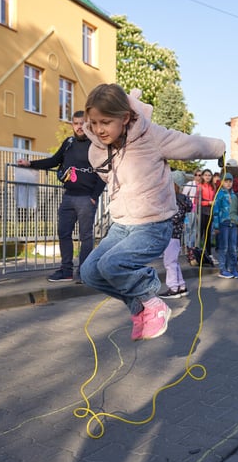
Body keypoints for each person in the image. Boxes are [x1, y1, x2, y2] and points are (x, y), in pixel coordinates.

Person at [79, 84, 225, 341]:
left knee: (112, 264)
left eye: (106, 122)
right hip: (122, 223)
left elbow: (189, 144)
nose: (99, 129)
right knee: (89, 271)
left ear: (124, 118)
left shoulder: (151, 136)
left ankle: (153, 301)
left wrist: (219, 148)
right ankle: (139, 308)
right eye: (93, 122)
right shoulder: (96, 150)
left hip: (153, 224)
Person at [18, 110, 105, 283]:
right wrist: (30, 163)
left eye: (82, 123)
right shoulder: (69, 143)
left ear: (88, 124)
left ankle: (84, 273)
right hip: (68, 197)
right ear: (72, 125)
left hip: (86, 198)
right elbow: (53, 161)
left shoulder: (96, 145)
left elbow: (103, 173)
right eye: (75, 123)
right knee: (63, 233)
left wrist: (94, 196)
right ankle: (66, 271)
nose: (79, 127)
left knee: (85, 237)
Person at [159, 171, 193, 299]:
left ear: (176, 185)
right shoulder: (181, 199)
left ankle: (173, 287)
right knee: (173, 261)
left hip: (171, 234)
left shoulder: (176, 199)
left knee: (169, 262)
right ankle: (181, 285)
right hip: (175, 234)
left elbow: (175, 217)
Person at [213, 173, 238, 279]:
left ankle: (232, 268)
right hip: (223, 223)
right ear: (222, 182)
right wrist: (216, 226)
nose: (228, 184)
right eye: (226, 181)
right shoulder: (219, 194)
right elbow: (216, 210)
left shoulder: (234, 195)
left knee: (233, 247)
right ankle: (222, 269)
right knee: (224, 247)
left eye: (230, 181)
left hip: (233, 223)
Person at [197, 168, 217, 263]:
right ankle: (196, 254)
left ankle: (209, 254)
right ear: (203, 176)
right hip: (202, 211)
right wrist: (208, 202)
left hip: (210, 212)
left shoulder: (213, 187)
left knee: (208, 235)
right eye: (206, 175)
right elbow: (197, 201)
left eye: (209, 175)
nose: (207, 177)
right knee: (200, 233)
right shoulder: (200, 186)